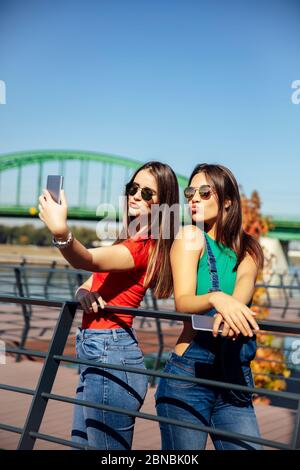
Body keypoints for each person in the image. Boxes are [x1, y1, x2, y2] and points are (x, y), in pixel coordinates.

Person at [38, 161, 179, 450]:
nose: (136, 195)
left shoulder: (143, 247)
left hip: (111, 356)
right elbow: (89, 281)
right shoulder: (130, 239)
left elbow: (85, 259)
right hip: (97, 353)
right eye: (133, 188)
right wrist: (83, 294)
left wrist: (61, 230)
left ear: (164, 205)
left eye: (148, 193)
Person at [155, 163, 264, 450]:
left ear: (228, 200)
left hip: (233, 377)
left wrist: (230, 306)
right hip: (190, 374)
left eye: (205, 192)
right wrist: (216, 298)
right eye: (190, 191)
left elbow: (243, 288)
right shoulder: (190, 237)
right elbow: (183, 303)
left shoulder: (248, 248)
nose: (193, 198)